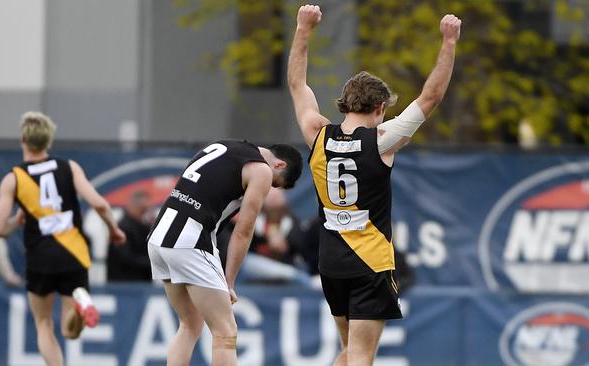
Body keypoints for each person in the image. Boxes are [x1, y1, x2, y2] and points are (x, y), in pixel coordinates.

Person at [288, 5, 461, 365]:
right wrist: (448, 42)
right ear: (380, 107)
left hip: (331, 262)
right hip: (370, 263)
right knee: (362, 357)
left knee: (351, 353)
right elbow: (430, 98)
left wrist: (303, 29)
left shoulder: (318, 135)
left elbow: (297, 85)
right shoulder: (381, 139)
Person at [147, 139, 302, 366]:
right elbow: (243, 231)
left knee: (190, 324)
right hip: (189, 240)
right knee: (225, 332)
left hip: (159, 237)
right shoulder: (261, 170)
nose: (269, 189)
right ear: (279, 165)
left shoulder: (224, 146)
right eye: (275, 184)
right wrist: (228, 282)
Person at [0, 112, 126, 366]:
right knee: (70, 331)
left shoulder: (14, 179)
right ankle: (81, 302)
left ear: (23, 139)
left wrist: (15, 222)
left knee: (44, 325)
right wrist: (114, 229)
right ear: (48, 142)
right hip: (74, 253)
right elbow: (99, 203)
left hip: (40, 258)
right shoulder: (69, 167)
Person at [106, 190, 153, 282]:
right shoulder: (122, 227)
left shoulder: (143, 226)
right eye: (143, 209)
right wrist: (152, 263)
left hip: (139, 282)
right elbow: (126, 258)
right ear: (133, 206)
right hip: (124, 282)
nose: (145, 213)